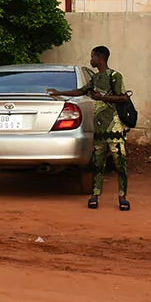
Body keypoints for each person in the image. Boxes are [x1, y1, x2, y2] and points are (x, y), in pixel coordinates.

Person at [48, 45, 132, 211]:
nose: (91, 60)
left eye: (92, 57)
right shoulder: (95, 78)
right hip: (100, 126)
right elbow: (81, 91)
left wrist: (102, 97)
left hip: (114, 126)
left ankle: (123, 197)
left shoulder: (115, 76)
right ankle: (95, 195)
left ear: (100, 58)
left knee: (120, 163)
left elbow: (123, 98)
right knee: (97, 162)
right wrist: (58, 92)